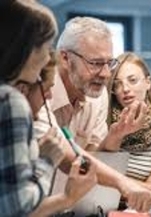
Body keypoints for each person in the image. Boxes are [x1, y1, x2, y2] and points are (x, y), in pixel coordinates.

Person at [34, 16, 151, 213]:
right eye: (95, 63)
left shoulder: (98, 96)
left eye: (109, 63)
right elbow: (66, 156)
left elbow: (92, 158)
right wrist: (124, 183)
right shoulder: (40, 93)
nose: (105, 74)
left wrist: (115, 136)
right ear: (65, 58)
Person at [0, 1, 94, 216]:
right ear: (26, 48)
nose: (46, 58)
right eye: (45, 46)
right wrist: (47, 159)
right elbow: (18, 208)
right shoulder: (9, 101)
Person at [102, 52, 151, 202]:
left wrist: (113, 181)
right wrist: (146, 186)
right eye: (117, 84)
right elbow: (96, 182)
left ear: (148, 83)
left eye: (132, 80)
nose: (125, 89)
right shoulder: (103, 125)